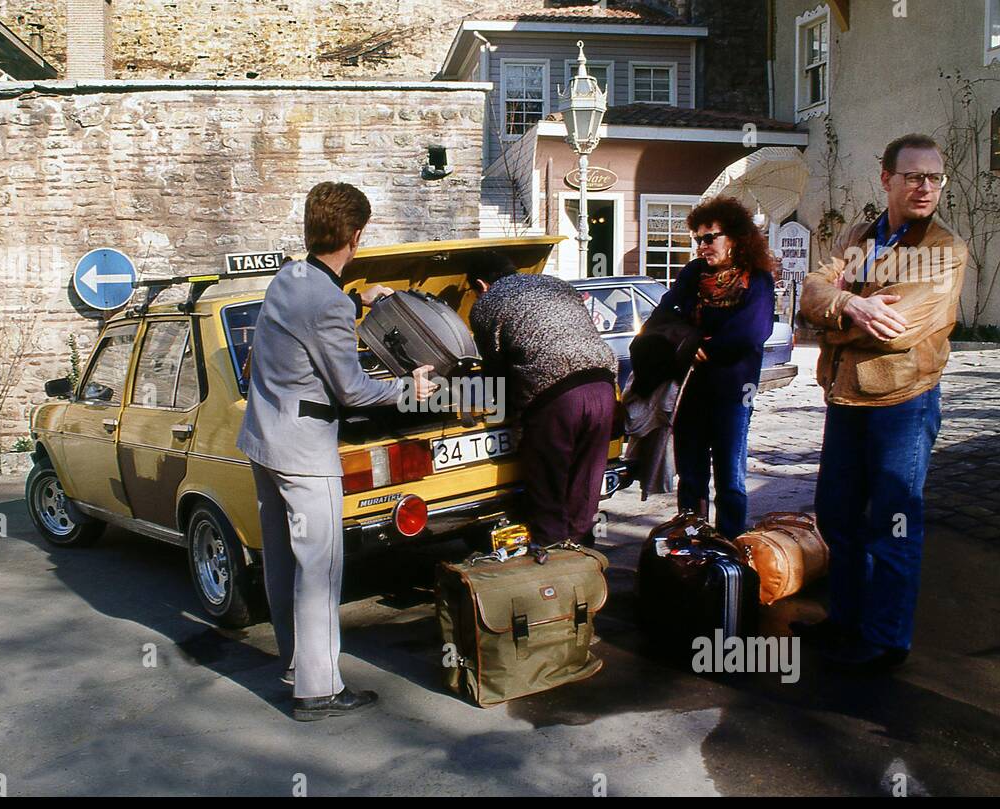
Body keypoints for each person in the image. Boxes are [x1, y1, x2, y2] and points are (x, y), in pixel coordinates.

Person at [237, 181, 434, 720]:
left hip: (264, 440)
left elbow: (313, 311)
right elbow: (352, 391)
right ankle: (318, 691)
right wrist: (407, 391)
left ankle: (295, 664)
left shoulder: (290, 277)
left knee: (282, 563)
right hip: (304, 453)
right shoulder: (325, 301)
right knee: (319, 569)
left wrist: (358, 298)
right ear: (356, 234)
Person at [796, 133, 969, 674]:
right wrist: (849, 302)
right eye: (914, 176)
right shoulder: (858, 235)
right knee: (837, 514)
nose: (926, 187)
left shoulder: (943, 249)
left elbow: (899, 331)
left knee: (894, 521)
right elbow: (809, 292)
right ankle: (847, 620)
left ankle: (886, 638)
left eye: (935, 177)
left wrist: (833, 323)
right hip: (846, 396)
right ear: (886, 178)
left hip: (903, 400)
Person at [643, 196, 776, 539]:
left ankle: (730, 547)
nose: (702, 246)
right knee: (691, 475)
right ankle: (692, 542)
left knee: (731, 478)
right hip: (690, 389)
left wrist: (706, 347)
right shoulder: (692, 275)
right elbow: (660, 318)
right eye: (697, 239)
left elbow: (753, 332)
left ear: (734, 237)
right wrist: (689, 343)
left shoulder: (756, 279)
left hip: (733, 391)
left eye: (709, 237)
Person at [466, 252, 618, 546]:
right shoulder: (555, 284)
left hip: (557, 398)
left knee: (549, 493)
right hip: (602, 386)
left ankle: (553, 566)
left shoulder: (487, 304)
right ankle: (584, 565)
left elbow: (496, 373)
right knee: (584, 489)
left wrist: (503, 413)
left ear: (482, 285)